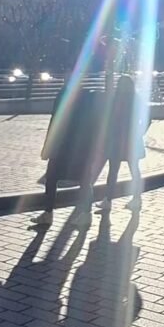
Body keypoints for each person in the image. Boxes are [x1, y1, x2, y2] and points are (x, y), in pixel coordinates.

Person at [32, 83, 105, 229]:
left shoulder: (63, 97)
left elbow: (55, 125)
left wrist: (47, 149)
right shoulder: (88, 99)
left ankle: (48, 213)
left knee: (52, 178)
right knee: (84, 180)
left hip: (62, 148)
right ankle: (86, 214)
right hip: (81, 149)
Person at [101, 74, 147, 212]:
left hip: (121, 139)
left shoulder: (119, 98)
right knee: (130, 170)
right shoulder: (134, 98)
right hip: (125, 139)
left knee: (116, 170)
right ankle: (134, 199)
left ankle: (109, 200)